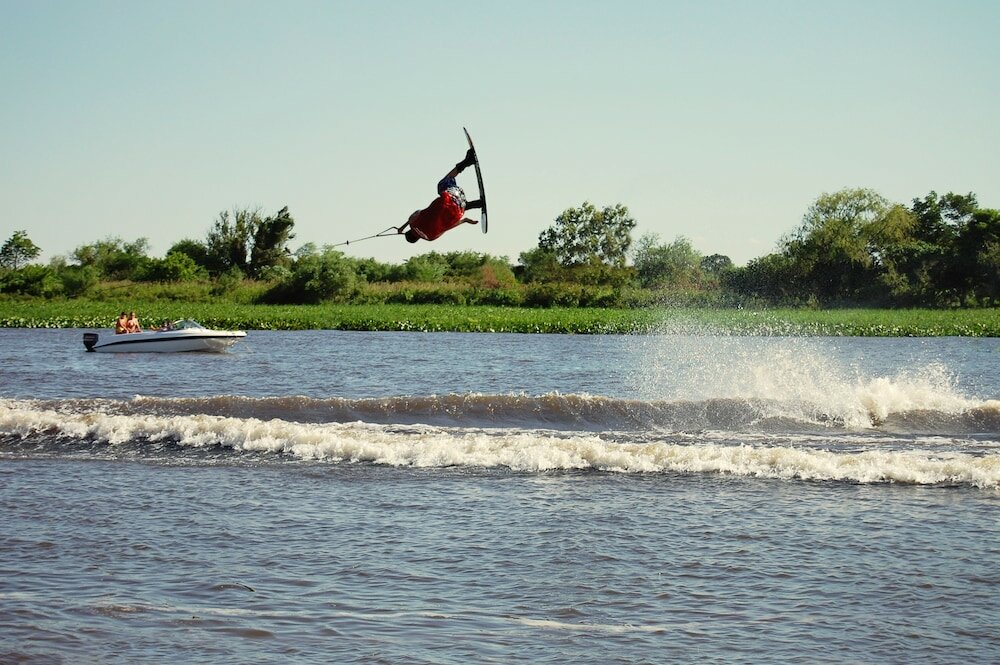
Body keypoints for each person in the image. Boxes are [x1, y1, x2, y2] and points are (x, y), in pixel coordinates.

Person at [397, 148, 483, 243]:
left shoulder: (431, 238)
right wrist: (403, 227)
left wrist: (465, 220)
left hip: (460, 208)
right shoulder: (413, 223)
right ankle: (468, 161)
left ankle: (478, 204)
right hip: (452, 195)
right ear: (409, 230)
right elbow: (416, 213)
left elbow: (448, 227)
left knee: (451, 212)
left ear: (418, 239)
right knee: (442, 184)